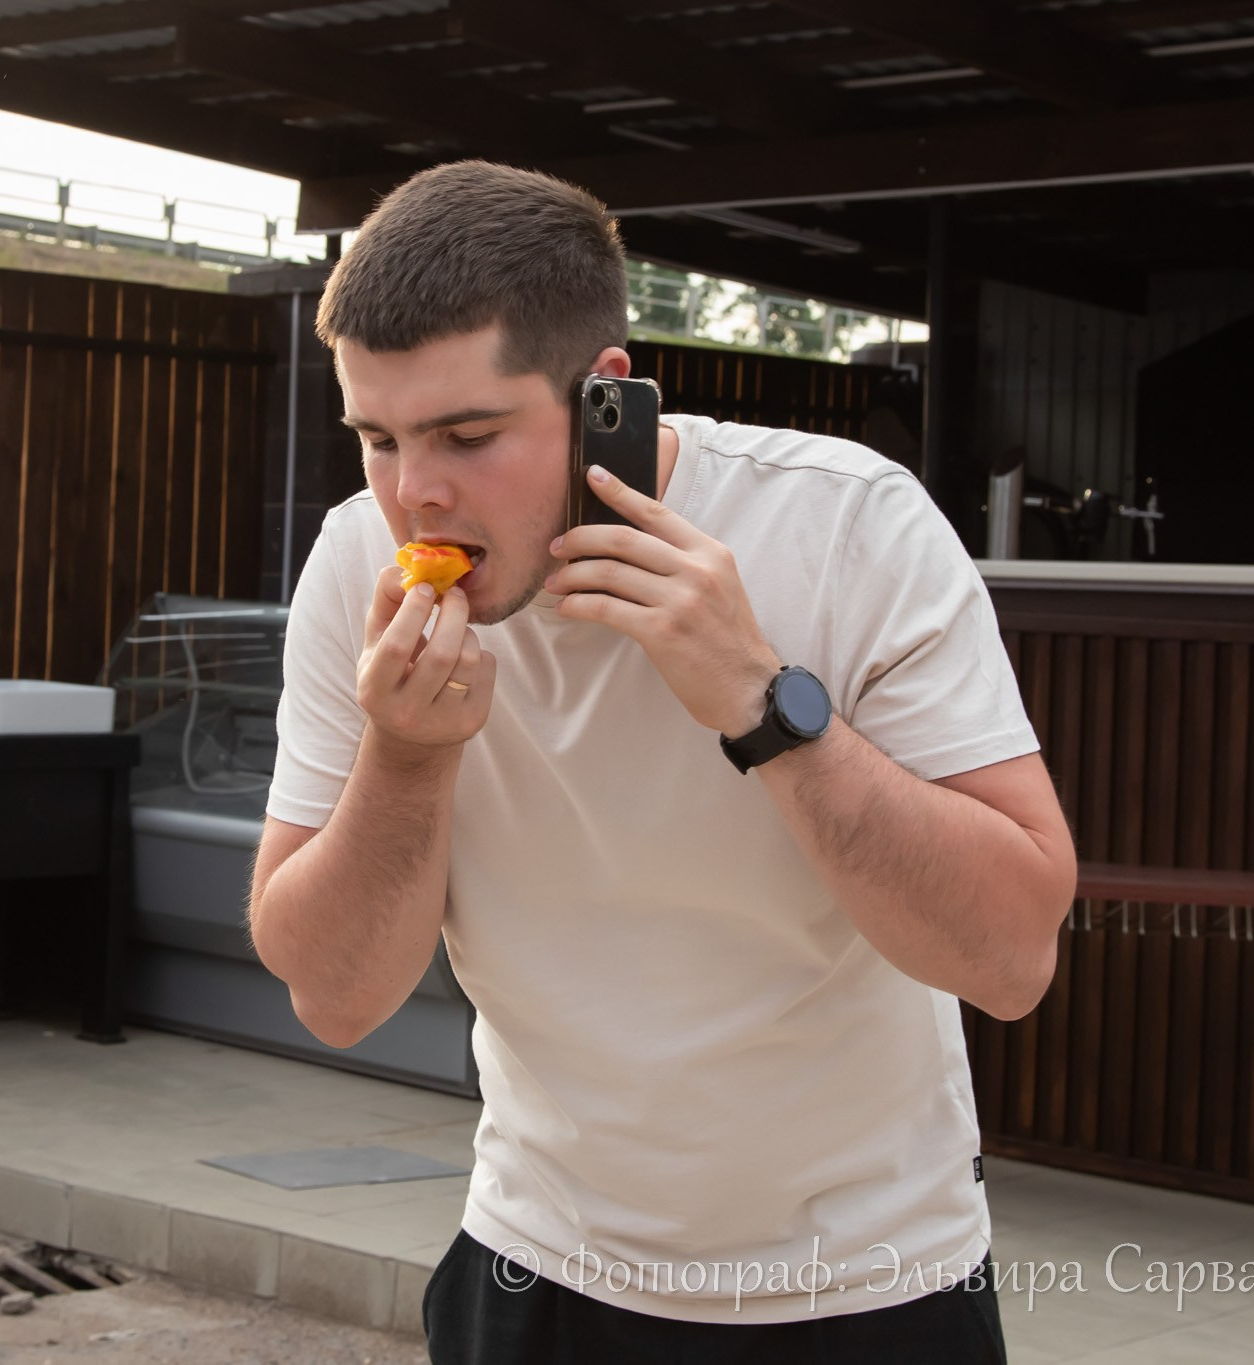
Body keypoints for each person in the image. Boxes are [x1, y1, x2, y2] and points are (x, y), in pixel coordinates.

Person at [246, 160, 1077, 1364]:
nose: (412, 496)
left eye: (466, 435)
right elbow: (334, 995)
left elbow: (1008, 959)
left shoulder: (850, 525)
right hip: (535, 1269)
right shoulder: (349, 568)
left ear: (603, 398)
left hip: (867, 1287)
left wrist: (758, 704)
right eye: (375, 438)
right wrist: (407, 760)